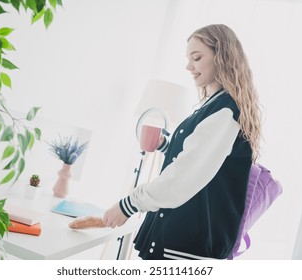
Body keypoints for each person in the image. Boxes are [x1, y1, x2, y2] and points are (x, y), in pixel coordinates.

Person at [103, 24, 261, 260]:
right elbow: (199, 159)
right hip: (179, 241)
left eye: (196, 57)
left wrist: (130, 204)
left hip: (186, 248)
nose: (189, 66)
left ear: (223, 56)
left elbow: (185, 175)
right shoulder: (214, 105)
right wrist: (165, 144)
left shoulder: (226, 110)